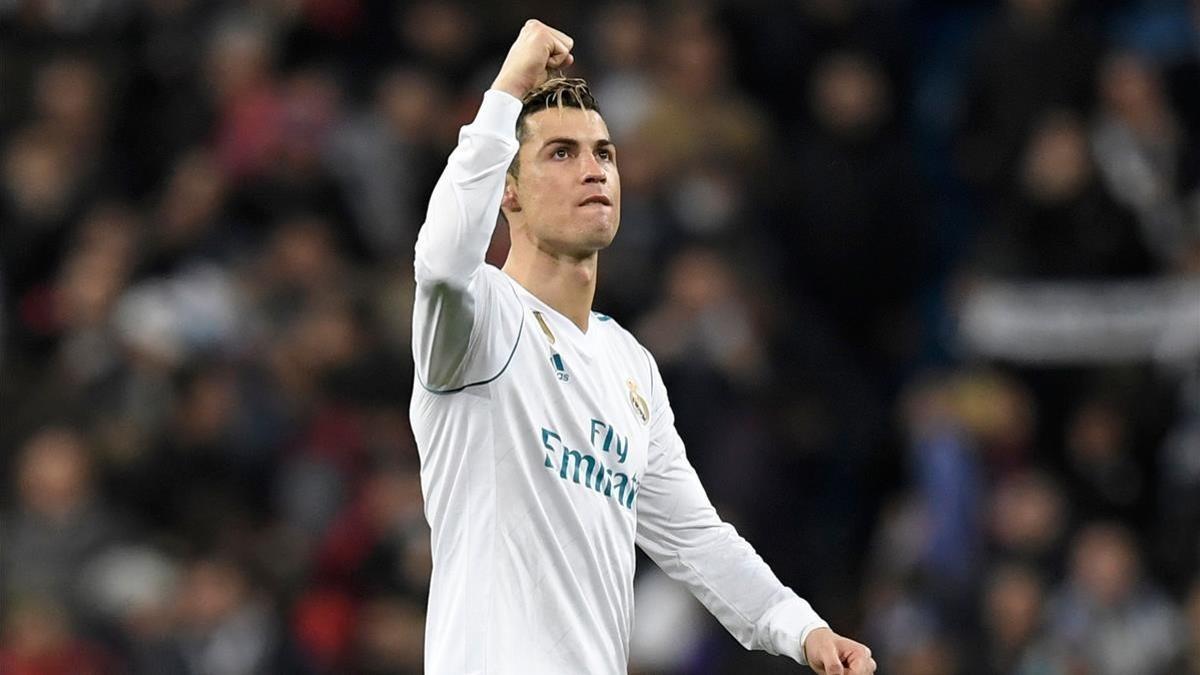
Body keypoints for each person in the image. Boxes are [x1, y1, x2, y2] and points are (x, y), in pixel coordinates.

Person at [409, 20, 876, 674]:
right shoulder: (479, 318)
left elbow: (694, 539)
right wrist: (510, 86)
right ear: (506, 190)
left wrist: (800, 627)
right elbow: (439, 261)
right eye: (561, 153)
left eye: (604, 152)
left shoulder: (626, 362)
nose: (594, 168)